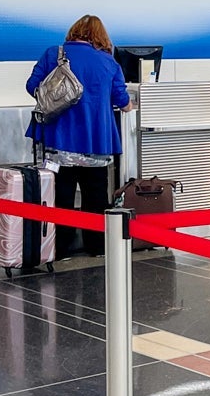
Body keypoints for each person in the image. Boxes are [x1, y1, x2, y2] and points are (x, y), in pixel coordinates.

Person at [26, 15, 131, 257]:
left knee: (60, 196)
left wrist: (55, 96)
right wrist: (127, 105)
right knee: (95, 197)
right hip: (96, 141)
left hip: (59, 140)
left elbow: (32, 86)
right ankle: (96, 247)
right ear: (100, 35)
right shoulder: (108, 62)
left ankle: (61, 248)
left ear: (74, 31)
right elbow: (121, 99)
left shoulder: (54, 54)